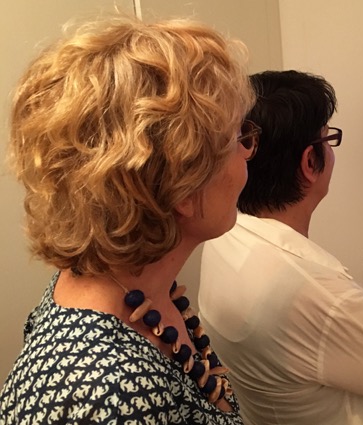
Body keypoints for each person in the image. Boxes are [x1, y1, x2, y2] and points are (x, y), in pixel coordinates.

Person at [0, 16, 259, 424]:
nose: (247, 153)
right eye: (239, 138)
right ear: (182, 186)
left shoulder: (136, 286)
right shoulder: (108, 396)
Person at [199, 70, 363, 425]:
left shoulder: (223, 238)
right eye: (328, 138)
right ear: (310, 162)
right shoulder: (320, 297)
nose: (331, 151)